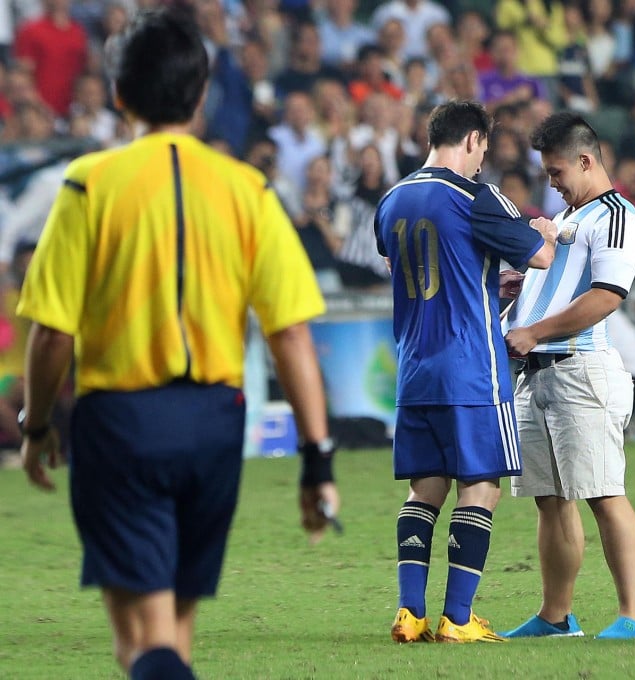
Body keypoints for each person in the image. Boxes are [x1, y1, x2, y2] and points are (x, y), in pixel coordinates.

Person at [16, 10, 338, 679]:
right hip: (217, 426)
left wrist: (37, 424)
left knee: (143, 644)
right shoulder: (247, 188)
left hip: (122, 425)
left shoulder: (89, 184)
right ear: (200, 95)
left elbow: (52, 333)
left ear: (119, 94)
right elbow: (291, 334)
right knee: (175, 639)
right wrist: (317, 459)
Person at [375, 100, 557, 644]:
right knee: (481, 487)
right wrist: (543, 229)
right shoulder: (475, 194)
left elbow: (408, 266)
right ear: (475, 140)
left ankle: (411, 613)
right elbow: (541, 258)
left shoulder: (392, 198)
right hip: (473, 371)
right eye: (484, 149)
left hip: (414, 369)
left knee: (424, 488)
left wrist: (484, 283)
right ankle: (458, 617)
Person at [502, 111, 635, 640]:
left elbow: (606, 297)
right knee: (550, 499)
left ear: (587, 160)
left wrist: (534, 332)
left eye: (557, 171)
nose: (552, 182)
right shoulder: (570, 217)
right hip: (537, 375)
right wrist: (518, 291)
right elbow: (561, 284)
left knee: (603, 492)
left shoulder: (616, 216)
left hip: (580, 370)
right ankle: (555, 616)